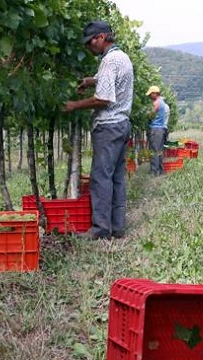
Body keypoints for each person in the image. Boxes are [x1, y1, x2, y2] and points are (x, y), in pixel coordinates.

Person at [63, 20, 133, 240]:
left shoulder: (109, 61)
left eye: (90, 41)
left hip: (108, 126)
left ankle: (101, 230)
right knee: (117, 177)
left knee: (101, 177)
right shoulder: (122, 57)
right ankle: (117, 226)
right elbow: (111, 82)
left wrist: (74, 105)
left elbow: (103, 99)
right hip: (122, 124)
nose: (89, 46)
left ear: (102, 37)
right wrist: (91, 81)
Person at [145, 85, 169, 175]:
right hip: (161, 129)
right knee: (159, 150)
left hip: (155, 129)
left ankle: (154, 172)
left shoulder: (156, 103)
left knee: (154, 151)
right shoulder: (162, 102)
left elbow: (151, 115)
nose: (149, 96)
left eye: (150, 94)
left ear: (155, 93)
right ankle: (161, 171)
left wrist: (146, 113)